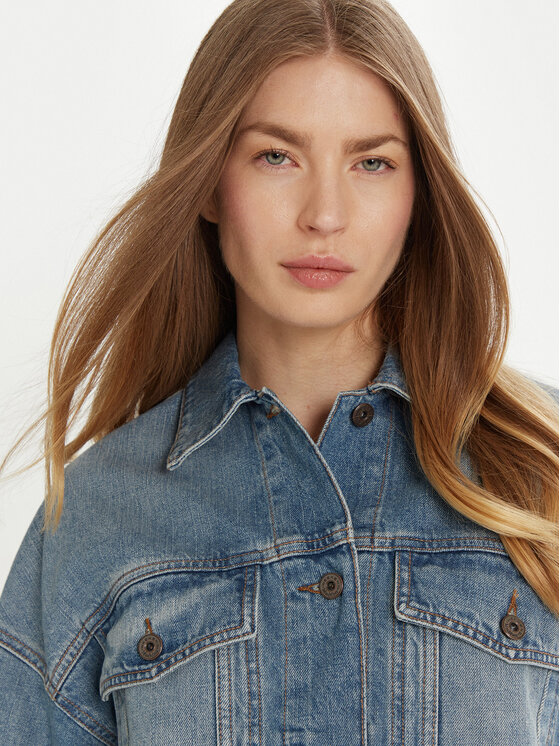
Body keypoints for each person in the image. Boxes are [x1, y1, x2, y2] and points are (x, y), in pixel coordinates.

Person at [0, 0, 558, 743]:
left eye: (372, 162)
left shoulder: (542, 468)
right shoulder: (96, 519)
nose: (324, 214)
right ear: (209, 182)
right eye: (276, 156)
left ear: (418, 196)